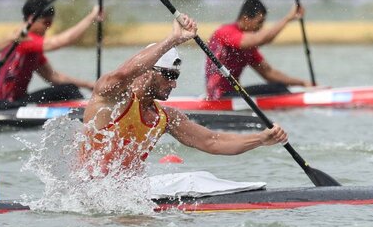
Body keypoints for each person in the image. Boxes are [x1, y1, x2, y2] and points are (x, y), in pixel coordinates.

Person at [80, 13, 288, 177]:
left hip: (121, 196)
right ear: (147, 70)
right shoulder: (112, 97)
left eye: (176, 76)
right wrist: (172, 39)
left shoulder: (165, 118)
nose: (174, 83)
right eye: (169, 75)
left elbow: (211, 141)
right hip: (88, 195)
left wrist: (260, 139)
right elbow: (124, 73)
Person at [0, 0, 102, 103]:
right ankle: (87, 113)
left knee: (67, 88)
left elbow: (54, 77)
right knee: (68, 90)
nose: (48, 27)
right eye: (46, 23)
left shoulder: (31, 46)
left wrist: (89, 85)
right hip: (7, 104)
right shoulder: (23, 39)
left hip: (18, 100)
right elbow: (60, 42)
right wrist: (91, 17)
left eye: (51, 23)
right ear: (31, 19)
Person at [204, 0, 312, 100]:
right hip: (220, 96)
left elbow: (269, 73)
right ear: (245, 19)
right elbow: (261, 39)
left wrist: (302, 83)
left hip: (234, 93)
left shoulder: (248, 48)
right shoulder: (225, 32)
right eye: (259, 22)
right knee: (278, 89)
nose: (260, 27)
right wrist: (288, 18)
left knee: (278, 86)